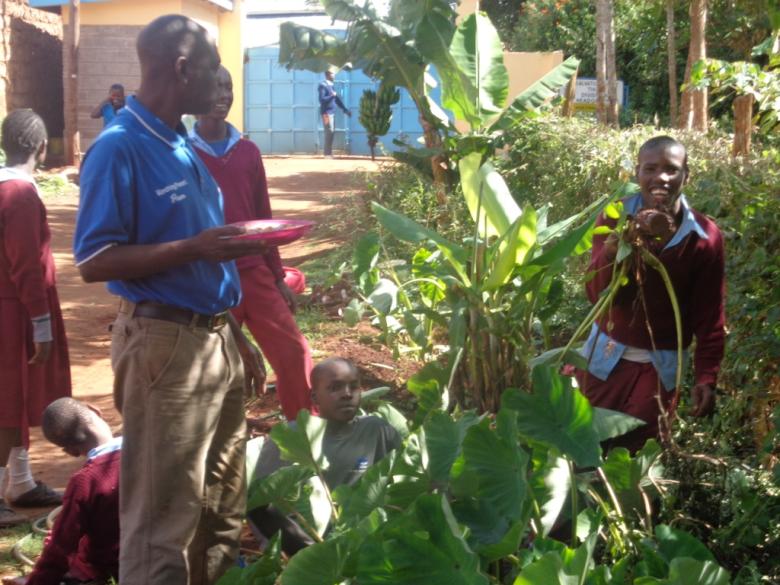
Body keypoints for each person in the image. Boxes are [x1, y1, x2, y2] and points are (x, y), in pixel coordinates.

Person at [73, 15, 269, 585]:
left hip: (214, 342)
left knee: (219, 508)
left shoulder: (182, 144)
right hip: (164, 348)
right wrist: (196, 246)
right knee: (163, 519)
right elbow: (93, 260)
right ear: (183, 68)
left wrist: (237, 336)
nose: (220, 81)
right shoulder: (120, 148)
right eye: (212, 68)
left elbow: (207, 264)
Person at [577, 135, 725, 453]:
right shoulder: (614, 217)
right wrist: (612, 254)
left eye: (671, 170)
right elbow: (595, 294)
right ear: (638, 173)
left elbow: (709, 313)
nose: (661, 178)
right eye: (651, 169)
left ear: (687, 174)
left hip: (662, 365)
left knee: (637, 453)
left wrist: (706, 375)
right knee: (584, 442)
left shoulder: (705, 237)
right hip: (605, 356)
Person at [190, 65, 313, 421]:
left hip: (254, 272)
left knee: (295, 355)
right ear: (197, 94)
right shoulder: (183, 153)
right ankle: (210, 448)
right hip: (207, 278)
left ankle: (304, 439)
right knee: (208, 369)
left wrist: (277, 278)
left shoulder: (248, 151)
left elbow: (264, 216)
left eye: (228, 87)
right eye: (215, 87)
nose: (224, 95)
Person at [248, 357, 401, 555]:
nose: (347, 394)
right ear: (314, 397)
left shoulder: (377, 431)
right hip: (304, 547)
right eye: (334, 388)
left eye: (353, 387)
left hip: (363, 543)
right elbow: (259, 504)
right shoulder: (293, 437)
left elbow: (401, 486)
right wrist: (307, 551)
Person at [0, 109, 71, 528]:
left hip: (11, 304)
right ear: (42, 149)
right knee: (9, 403)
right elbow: (26, 265)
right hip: (17, 309)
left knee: (20, 394)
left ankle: (21, 483)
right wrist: (41, 323)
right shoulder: (20, 195)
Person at [23, 398, 121, 585]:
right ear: (96, 410)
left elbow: (61, 547)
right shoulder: (147, 452)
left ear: (71, 451)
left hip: (117, 566)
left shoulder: (84, 481)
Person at [317, 69, 351, 158]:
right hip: (325, 113)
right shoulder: (323, 85)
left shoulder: (331, 86)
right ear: (327, 75)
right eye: (333, 74)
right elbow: (322, 100)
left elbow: (337, 100)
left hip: (331, 113)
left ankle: (328, 153)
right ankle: (327, 154)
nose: (334, 75)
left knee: (331, 132)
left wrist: (345, 109)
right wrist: (332, 95)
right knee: (329, 132)